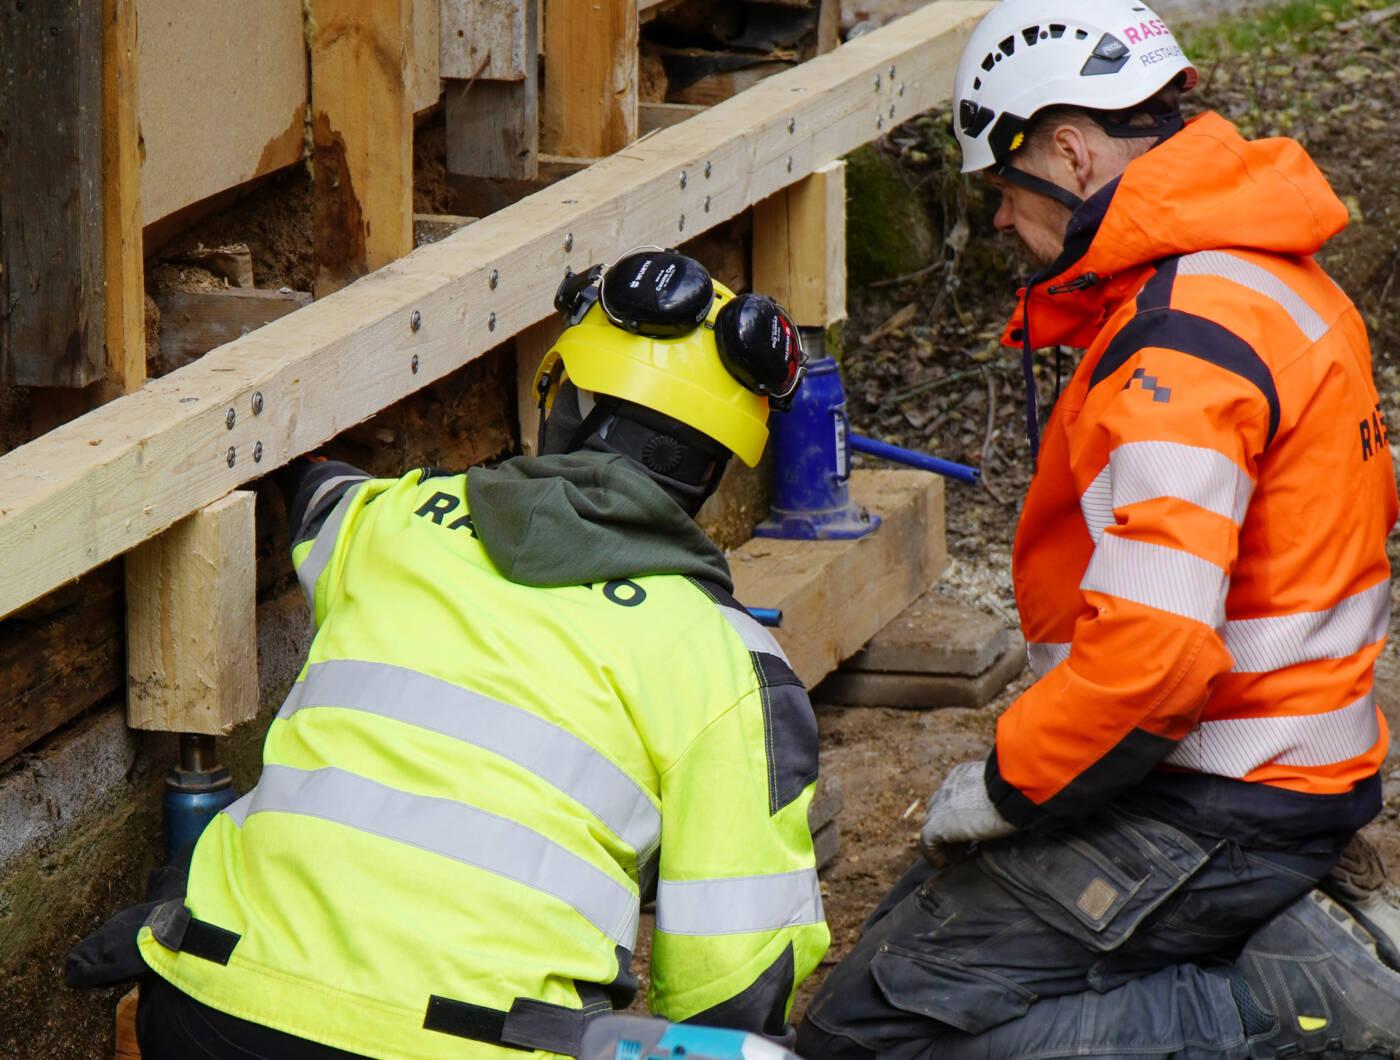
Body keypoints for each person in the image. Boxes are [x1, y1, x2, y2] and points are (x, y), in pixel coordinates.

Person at [797, 1, 1400, 1057]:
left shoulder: (1179, 345)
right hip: (1278, 765)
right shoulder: (1263, 274)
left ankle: (1277, 1012)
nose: (995, 220)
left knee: (871, 1033)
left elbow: (1152, 658)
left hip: (1207, 791)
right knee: (907, 941)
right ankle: (1264, 951)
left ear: (1070, 152)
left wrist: (1004, 781)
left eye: (1000, 186)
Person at [68, 249, 830, 1058]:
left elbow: (323, 497)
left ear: (565, 400)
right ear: (714, 469)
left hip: (213, 1007)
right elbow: (731, 994)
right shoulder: (732, 667)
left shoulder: (401, 520)